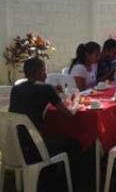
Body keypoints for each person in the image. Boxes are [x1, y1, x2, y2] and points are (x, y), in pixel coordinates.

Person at [9, 58, 82, 189]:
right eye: (45, 71)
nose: (46, 75)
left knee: (50, 135)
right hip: (35, 147)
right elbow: (69, 114)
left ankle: (48, 174)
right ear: (42, 72)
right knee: (75, 143)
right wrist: (76, 102)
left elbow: (33, 95)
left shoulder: (16, 89)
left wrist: (53, 91)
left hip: (15, 144)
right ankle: (71, 183)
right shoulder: (46, 89)